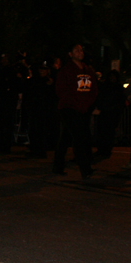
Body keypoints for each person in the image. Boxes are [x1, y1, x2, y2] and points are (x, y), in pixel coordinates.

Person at [52, 44, 97, 179]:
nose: (80, 52)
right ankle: (85, 169)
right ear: (70, 54)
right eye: (76, 50)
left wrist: (88, 104)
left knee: (66, 137)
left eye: (81, 50)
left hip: (83, 109)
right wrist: (75, 103)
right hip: (69, 109)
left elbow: (93, 90)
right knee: (80, 137)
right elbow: (61, 90)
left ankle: (58, 166)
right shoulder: (66, 70)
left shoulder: (88, 70)